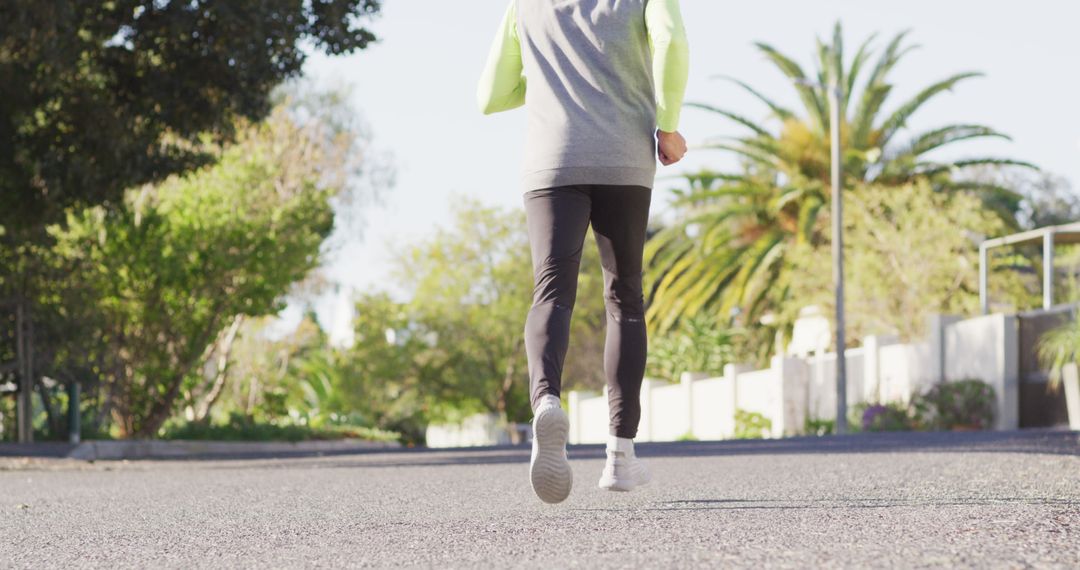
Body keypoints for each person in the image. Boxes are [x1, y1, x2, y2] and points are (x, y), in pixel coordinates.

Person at [477, 0, 689, 504]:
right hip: (623, 159)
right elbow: (672, 42)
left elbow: (489, 95)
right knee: (625, 299)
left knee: (551, 290)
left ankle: (546, 400)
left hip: (551, 161)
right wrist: (669, 122)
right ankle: (620, 457)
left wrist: (556, 76)